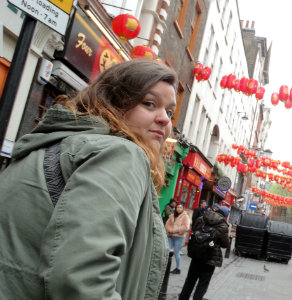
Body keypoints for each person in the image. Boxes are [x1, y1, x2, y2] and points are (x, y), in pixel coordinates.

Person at [0, 59, 177, 299]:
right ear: (114, 101)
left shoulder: (49, 145)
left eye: (169, 112)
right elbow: (82, 279)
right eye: (149, 103)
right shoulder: (121, 154)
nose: (165, 120)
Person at [179, 205, 230, 300]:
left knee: (189, 281)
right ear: (225, 215)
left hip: (196, 254)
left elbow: (194, 230)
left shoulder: (202, 218)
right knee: (202, 284)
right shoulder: (223, 226)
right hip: (210, 258)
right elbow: (225, 244)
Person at [165, 204, 191, 274]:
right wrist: (170, 230)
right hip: (170, 236)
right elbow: (167, 224)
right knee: (167, 251)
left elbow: (186, 227)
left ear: (183, 208)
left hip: (178, 237)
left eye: (180, 207)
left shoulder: (185, 216)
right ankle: (165, 267)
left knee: (176, 253)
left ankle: (178, 268)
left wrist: (175, 230)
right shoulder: (172, 215)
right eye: (177, 207)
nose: (179, 209)